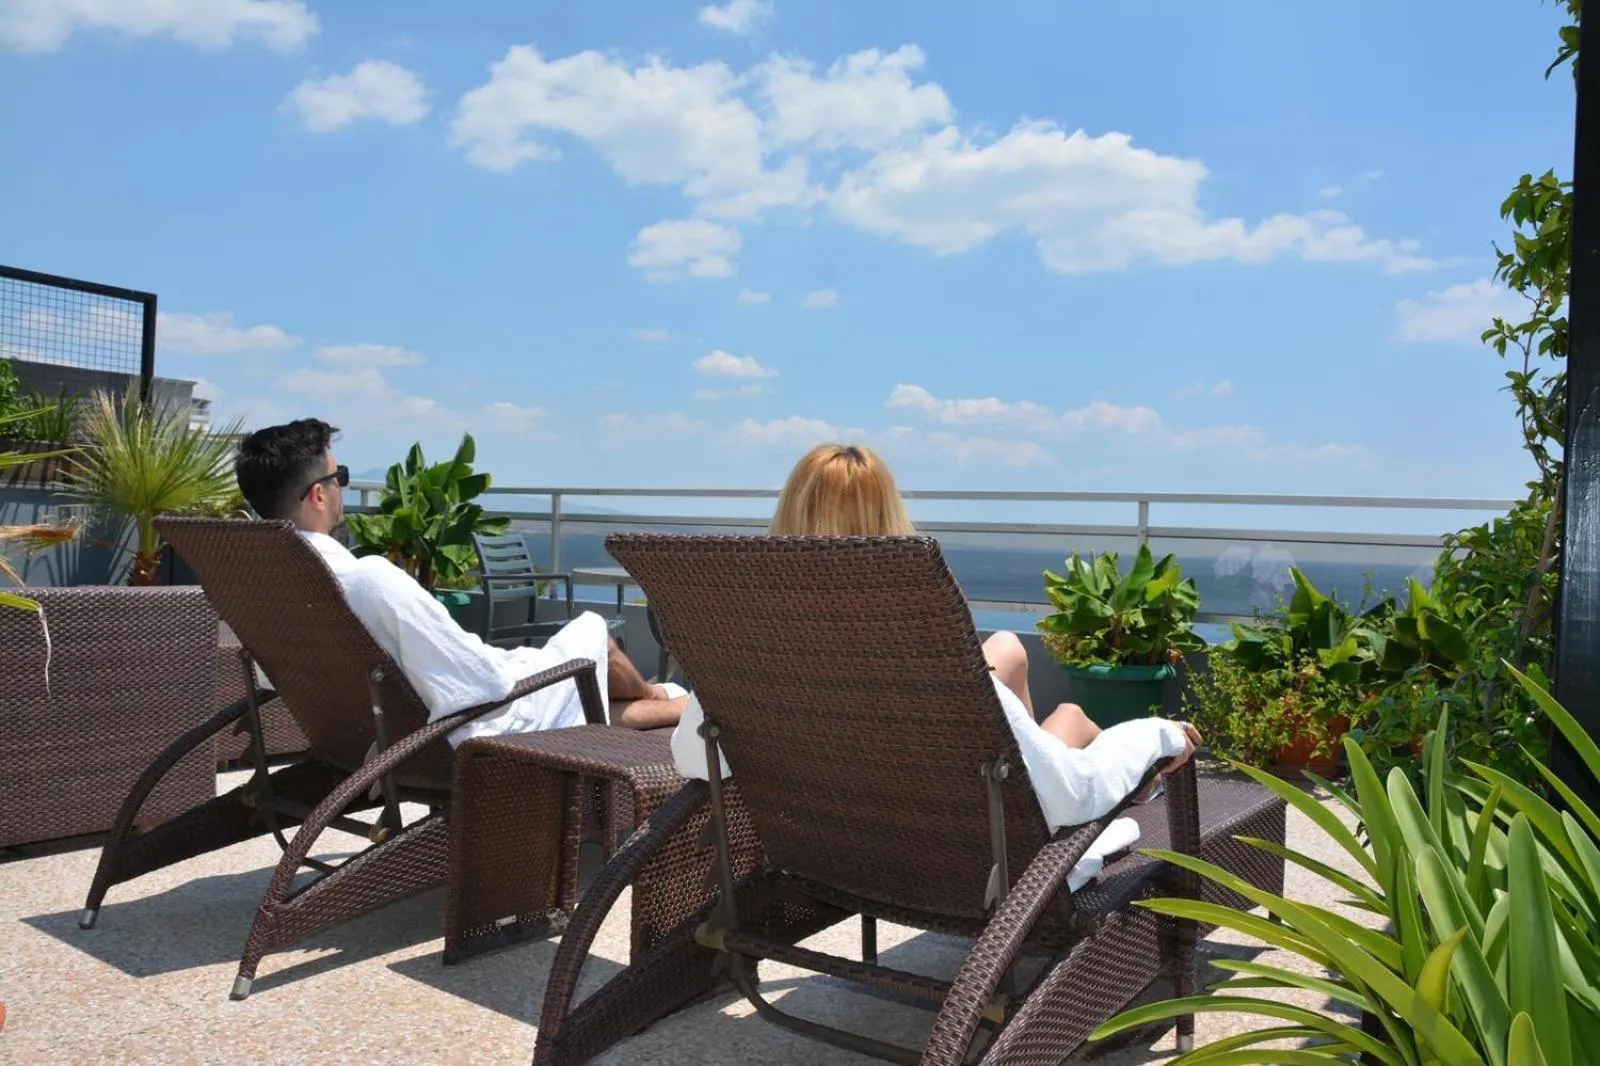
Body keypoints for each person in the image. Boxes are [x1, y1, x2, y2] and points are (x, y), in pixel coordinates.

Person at [674, 443, 1201, 865]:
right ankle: (1080, 730)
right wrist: (1159, 735)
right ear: (889, 519)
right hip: (965, 849)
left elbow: (693, 756)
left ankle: (1069, 726)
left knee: (1008, 653)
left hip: (842, 846)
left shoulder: (745, 641)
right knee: (1067, 719)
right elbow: (1070, 797)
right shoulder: (918, 647)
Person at [233, 419, 686, 745]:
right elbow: (481, 686)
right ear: (317, 494)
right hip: (476, 725)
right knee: (592, 633)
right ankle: (667, 697)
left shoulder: (269, 584)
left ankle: (674, 702)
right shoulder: (366, 579)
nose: (344, 488)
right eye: (341, 477)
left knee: (583, 678)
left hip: (370, 729)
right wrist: (514, 667)